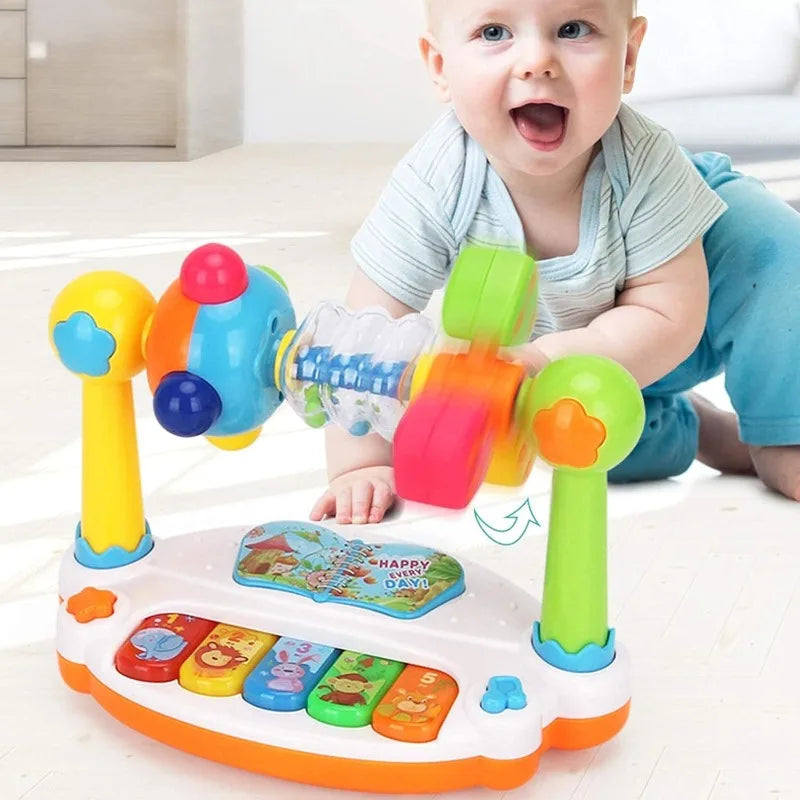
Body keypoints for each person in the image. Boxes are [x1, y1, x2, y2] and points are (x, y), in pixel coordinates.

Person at [310, 0, 800, 524]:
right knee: (585, 445)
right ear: (440, 66)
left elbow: (668, 317)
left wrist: (547, 359)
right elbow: (365, 331)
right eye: (494, 32)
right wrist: (361, 464)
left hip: (688, 300)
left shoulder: (646, 164)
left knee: (774, 251)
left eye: (572, 29)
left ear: (628, 58)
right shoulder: (434, 181)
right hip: (565, 354)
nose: (537, 62)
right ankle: (700, 431)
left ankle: (784, 432)